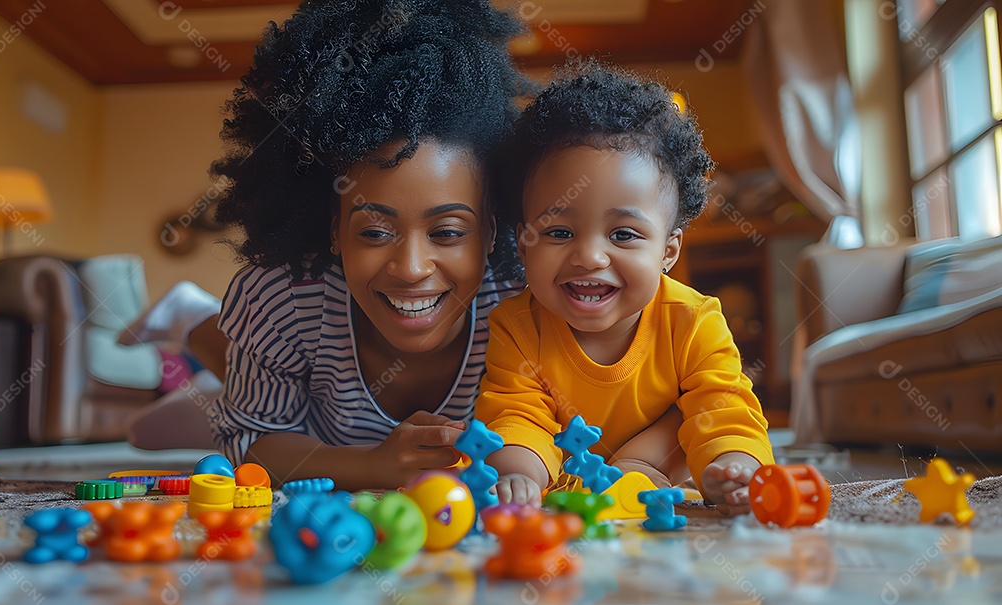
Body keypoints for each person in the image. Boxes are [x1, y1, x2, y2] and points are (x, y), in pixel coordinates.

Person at [200, 0, 530, 490]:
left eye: (447, 232)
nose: (411, 268)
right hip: (309, 417)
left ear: (490, 230)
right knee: (207, 352)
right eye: (375, 232)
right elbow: (252, 437)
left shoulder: (526, 300)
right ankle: (187, 320)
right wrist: (373, 465)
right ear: (335, 230)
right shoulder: (282, 296)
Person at [476, 60, 774, 516]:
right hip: (569, 487)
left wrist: (734, 464)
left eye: (623, 235)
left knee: (689, 437)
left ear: (668, 251)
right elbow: (516, 413)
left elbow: (722, 404)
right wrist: (519, 474)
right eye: (558, 232)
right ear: (523, 242)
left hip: (658, 484)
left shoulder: (692, 320)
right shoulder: (518, 326)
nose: (590, 257)